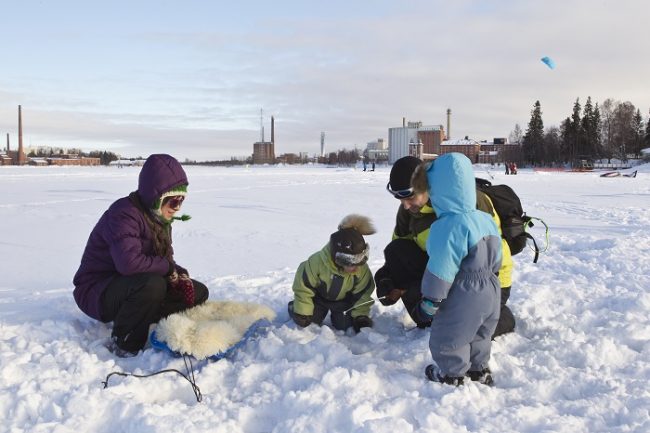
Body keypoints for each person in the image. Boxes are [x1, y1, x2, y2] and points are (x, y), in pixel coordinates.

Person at [73, 154, 209, 357]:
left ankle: (148, 320)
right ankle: (126, 343)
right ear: (156, 198)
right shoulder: (123, 214)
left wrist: (179, 273)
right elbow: (128, 264)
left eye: (181, 200)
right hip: (97, 290)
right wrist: (167, 268)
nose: (178, 208)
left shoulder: (160, 218)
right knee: (152, 285)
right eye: (173, 201)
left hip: (129, 284)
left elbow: (164, 261)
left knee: (197, 291)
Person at [375, 156, 515, 337]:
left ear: (424, 185)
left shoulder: (470, 203)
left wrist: (495, 295)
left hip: (482, 277)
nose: (405, 206)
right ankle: (431, 319)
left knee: (464, 329)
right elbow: (397, 255)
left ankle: (497, 317)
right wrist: (386, 280)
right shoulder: (408, 212)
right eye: (400, 199)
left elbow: (495, 254)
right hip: (443, 272)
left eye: (409, 197)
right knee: (397, 250)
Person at [413, 153, 502, 386]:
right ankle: (478, 369)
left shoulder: (447, 226)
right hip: (491, 287)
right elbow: (498, 255)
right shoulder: (485, 219)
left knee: (449, 336)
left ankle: (451, 374)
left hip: (465, 291)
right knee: (481, 333)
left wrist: (429, 303)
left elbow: (440, 270)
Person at [288, 214, 376, 333]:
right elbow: (304, 287)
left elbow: (363, 294)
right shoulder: (316, 263)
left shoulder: (361, 270)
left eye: (359, 262)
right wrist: (303, 311)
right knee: (309, 322)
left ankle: (343, 317)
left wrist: (360, 316)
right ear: (338, 259)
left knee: (345, 325)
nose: (355, 268)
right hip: (318, 299)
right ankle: (294, 308)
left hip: (343, 302)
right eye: (350, 264)